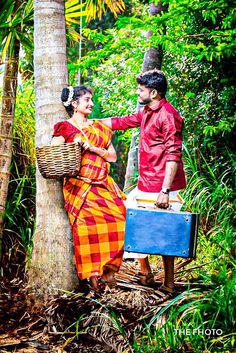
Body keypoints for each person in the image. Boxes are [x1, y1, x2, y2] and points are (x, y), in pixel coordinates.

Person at [101, 69, 186, 294]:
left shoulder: (169, 115)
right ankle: (145, 272)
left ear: (154, 92)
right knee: (130, 221)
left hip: (165, 186)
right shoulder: (147, 111)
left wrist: (165, 191)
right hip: (146, 183)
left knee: (164, 232)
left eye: (141, 89)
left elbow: (173, 154)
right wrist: (90, 122)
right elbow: (124, 121)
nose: (138, 92)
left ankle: (169, 283)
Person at [51, 85, 126, 292]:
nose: (91, 104)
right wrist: (73, 145)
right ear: (75, 104)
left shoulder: (99, 128)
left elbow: (112, 156)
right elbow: (55, 152)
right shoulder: (64, 128)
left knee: (121, 220)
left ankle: (109, 271)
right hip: (80, 187)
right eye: (87, 100)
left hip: (103, 184)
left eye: (91, 99)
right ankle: (93, 279)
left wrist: (93, 148)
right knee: (86, 230)